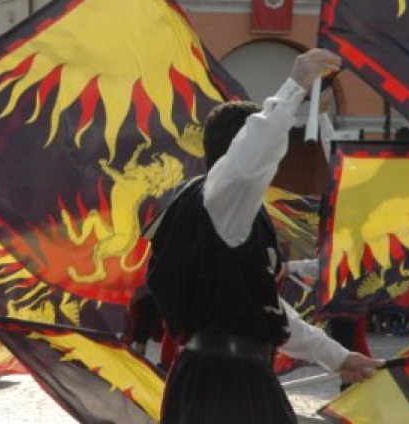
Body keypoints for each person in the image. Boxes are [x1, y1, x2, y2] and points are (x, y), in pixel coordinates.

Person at [147, 48, 382, 424]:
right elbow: (250, 156)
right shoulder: (223, 198)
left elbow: (267, 310)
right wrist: (296, 84)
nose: (273, 164)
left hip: (227, 376)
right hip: (225, 382)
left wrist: (339, 358)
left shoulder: (226, 210)